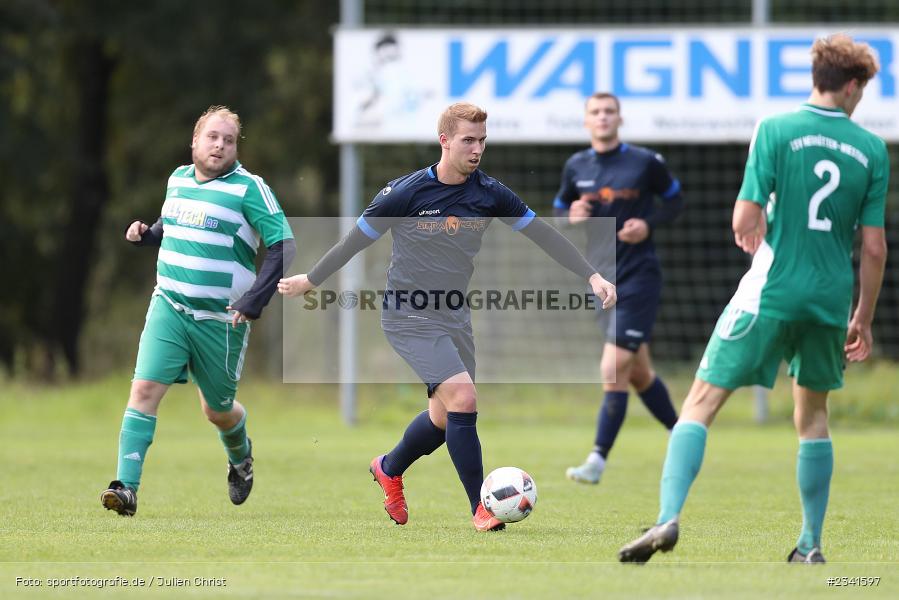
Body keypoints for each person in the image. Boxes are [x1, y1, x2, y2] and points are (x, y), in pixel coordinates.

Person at [278, 102, 617, 531]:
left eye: (482, 141)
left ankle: (388, 466)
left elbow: (544, 235)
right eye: (468, 140)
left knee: (443, 420)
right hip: (407, 314)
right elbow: (354, 241)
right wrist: (312, 279)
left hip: (454, 316)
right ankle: (482, 507)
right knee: (464, 399)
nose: (477, 149)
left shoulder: (490, 193)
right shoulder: (406, 193)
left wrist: (592, 275)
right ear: (445, 141)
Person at [619, 35, 887, 564]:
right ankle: (810, 546)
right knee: (812, 417)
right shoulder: (872, 148)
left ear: (818, 76)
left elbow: (743, 218)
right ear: (852, 85)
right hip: (830, 303)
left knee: (699, 404)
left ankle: (667, 518)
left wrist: (750, 229)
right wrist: (863, 318)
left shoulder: (775, 128)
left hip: (769, 292)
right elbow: (874, 247)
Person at [100, 106, 296, 516]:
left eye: (228, 139)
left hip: (222, 320)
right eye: (212, 136)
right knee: (144, 390)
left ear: (235, 147)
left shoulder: (249, 188)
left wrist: (255, 299)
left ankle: (240, 457)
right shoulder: (178, 180)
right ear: (195, 141)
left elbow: (283, 245)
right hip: (169, 306)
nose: (220, 145)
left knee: (218, 410)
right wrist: (145, 235)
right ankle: (125, 488)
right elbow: (169, 226)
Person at [554, 92, 684, 485]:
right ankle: (686, 436)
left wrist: (650, 224)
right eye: (595, 112)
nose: (603, 117)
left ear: (620, 119)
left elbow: (675, 201)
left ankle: (596, 460)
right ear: (586, 122)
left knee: (612, 368)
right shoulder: (576, 166)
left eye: (610, 111)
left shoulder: (645, 162)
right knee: (639, 373)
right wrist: (569, 216)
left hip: (639, 276)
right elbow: (561, 210)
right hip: (601, 278)